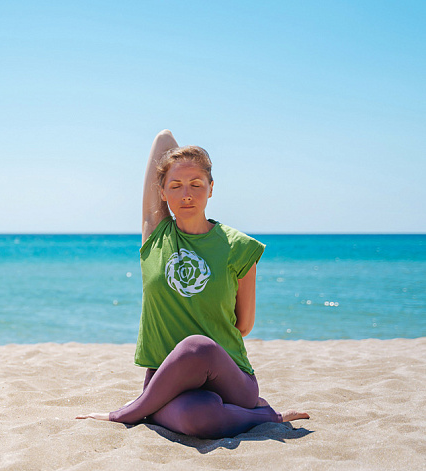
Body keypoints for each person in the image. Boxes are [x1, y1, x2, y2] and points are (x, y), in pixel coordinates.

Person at [76, 130, 308, 439]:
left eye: (196, 184)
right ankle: (266, 416)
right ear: (162, 192)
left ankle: (126, 413)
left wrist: (191, 161)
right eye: (176, 185)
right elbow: (164, 139)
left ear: (211, 189)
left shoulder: (239, 247)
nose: (186, 193)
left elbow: (244, 325)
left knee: (197, 347)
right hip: (167, 382)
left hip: (230, 379)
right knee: (199, 418)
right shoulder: (156, 235)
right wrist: (186, 159)